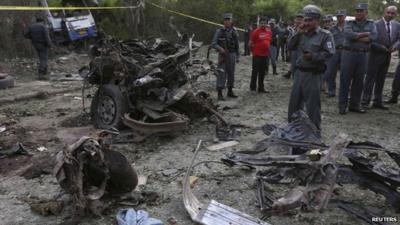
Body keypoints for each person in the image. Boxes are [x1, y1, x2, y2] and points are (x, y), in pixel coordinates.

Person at [287, 5, 335, 131]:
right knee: (294, 103)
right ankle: (292, 128)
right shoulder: (301, 33)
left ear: (317, 20)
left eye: (310, 20)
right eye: (305, 20)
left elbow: (330, 52)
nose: (307, 23)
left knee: (312, 105)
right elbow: (290, 46)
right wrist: (298, 32)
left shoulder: (325, 35)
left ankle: (314, 131)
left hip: (313, 75)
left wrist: (313, 56)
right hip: (299, 73)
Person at [338, 3, 377, 114]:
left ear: (366, 12)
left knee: (359, 81)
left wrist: (356, 37)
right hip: (349, 54)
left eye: (361, 11)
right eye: (357, 10)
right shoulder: (349, 22)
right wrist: (365, 34)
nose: (358, 12)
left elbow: (373, 37)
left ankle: (354, 105)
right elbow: (348, 35)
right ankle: (342, 105)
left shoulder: (371, 23)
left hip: (363, 55)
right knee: (345, 80)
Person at [361, 6, 400, 110]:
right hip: (374, 56)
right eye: (388, 12)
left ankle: (378, 101)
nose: (390, 15)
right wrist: (380, 47)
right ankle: (365, 101)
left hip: (387, 57)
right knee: (370, 79)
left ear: (395, 14)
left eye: (392, 13)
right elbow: (370, 40)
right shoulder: (375, 24)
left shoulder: (397, 25)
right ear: (384, 12)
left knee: (381, 80)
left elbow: (399, 39)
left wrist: (396, 46)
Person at [212, 13, 240, 101]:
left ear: (231, 21)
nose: (227, 21)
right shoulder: (219, 31)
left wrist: (238, 56)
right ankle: (220, 93)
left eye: (229, 19)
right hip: (223, 55)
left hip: (232, 54)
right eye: (226, 20)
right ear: (223, 21)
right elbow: (213, 44)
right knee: (221, 73)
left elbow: (237, 45)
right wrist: (221, 49)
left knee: (231, 73)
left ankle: (230, 91)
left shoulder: (234, 31)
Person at [324, 10, 347, 97]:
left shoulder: (349, 27)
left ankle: (344, 91)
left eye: (341, 16)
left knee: (345, 73)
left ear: (345, 16)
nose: (339, 18)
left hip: (345, 52)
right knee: (331, 72)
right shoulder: (332, 29)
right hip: (335, 52)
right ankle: (331, 90)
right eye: (338, 16)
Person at [250, 17, 272, 93]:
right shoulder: (255, 32)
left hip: (265, 55)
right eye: (261, 23)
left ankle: (261, 88)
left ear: (266, 24)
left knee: (262, 72)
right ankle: (252, 88)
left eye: (264, 23)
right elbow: (250, 43)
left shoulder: (269, 32)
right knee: (255, 71)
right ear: (259, 24)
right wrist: (254, 51)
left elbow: (269, 41)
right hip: (257, 55)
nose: (263, 24)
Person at [284, 12, 304, 79]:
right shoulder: (292, 30)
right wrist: (288, 52)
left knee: (301, 68)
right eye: (297, 19)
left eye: (301, 19)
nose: (299, 21)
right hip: (294, 51)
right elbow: (289, 41)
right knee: (293, 68)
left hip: (302, 52)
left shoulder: (306, 29)